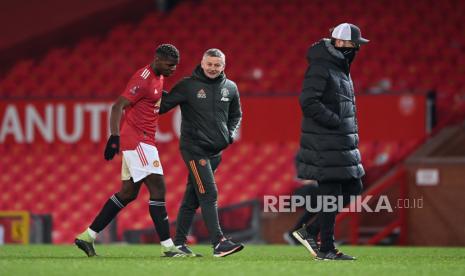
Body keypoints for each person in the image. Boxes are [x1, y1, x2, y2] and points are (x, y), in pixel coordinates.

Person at [75, 44, 187, 257]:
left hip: (144, 140)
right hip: (138, 141)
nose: (173, 69)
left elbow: (153, 103)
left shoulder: (159, 76)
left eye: (175, 66)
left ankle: (86, 237)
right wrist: (114, 137)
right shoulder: (143, 79)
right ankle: (168, 247)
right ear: (157, 59)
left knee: (127, 194)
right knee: (158, 189)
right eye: (170, 65)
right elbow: (117, 106)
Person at [294, 23, 369, 260]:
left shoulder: (340, 68)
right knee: (331, 196)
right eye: (354, 44)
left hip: (339, 144)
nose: (357, 48)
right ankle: (326, 249)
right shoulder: (321, 67)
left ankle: (310, 231)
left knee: (353, 187)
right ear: (341, 44)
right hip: (325, 143)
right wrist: (334, 120)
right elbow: (308, 101)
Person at [159, 48, 244, 257]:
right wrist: (150, 90)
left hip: (216, 152)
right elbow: (162, 106)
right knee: (209, 193)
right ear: (202, 63)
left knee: (193, 198)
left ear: (223, 66)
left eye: (217, 65)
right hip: (194, 150)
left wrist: (229, 135)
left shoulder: (231, 88)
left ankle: (178, 244)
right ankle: (218, 243)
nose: (213, 68)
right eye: (210, 64)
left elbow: (236, 115)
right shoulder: (188, 86)